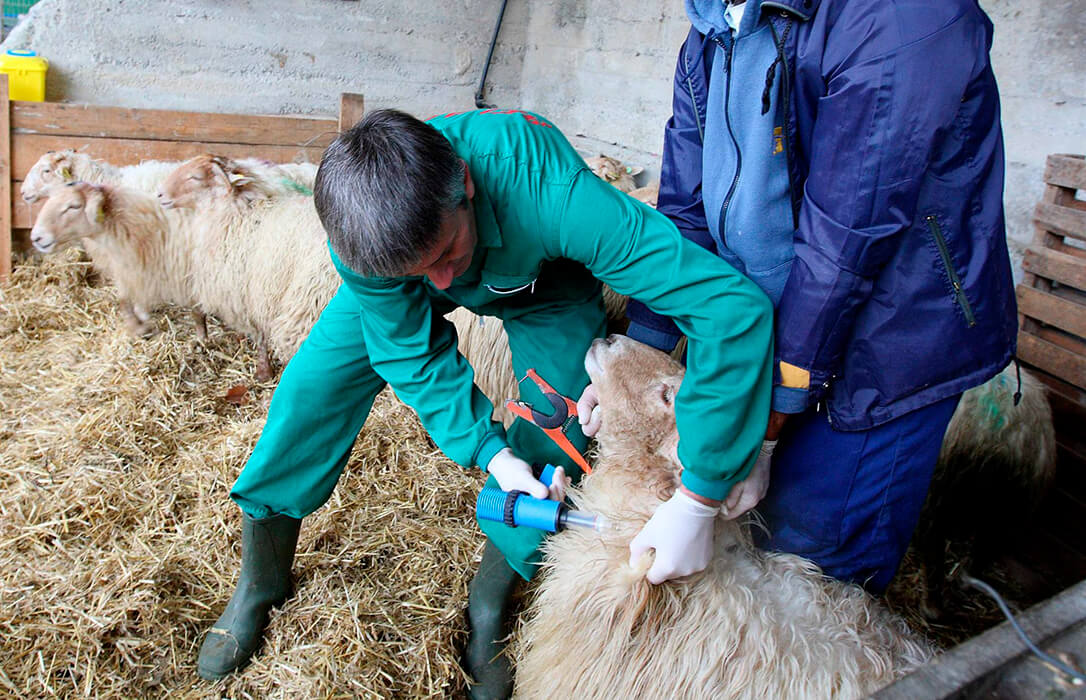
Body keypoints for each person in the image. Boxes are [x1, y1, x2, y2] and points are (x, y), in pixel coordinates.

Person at [196, 107, 775, 697]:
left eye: (447, 251)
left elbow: (728, 309)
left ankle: (490, 606)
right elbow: (411, 353)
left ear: (466, 186)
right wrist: (488, 452)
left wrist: (701, 492)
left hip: (540, 290)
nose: (445, 282)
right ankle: (259, 585)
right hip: (400, 284)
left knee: (563, 425)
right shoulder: (365, 241)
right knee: (308, 396)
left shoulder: (553, 193)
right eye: (426, 267)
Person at [616, 0, 1017, 594]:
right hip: (775, 326)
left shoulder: (899, 17)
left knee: (809, 571)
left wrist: (767, 430)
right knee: (744, 538)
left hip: (888, 347)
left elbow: (846, 244)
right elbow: (684, 209)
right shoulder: (713, 27)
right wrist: (637, 351)